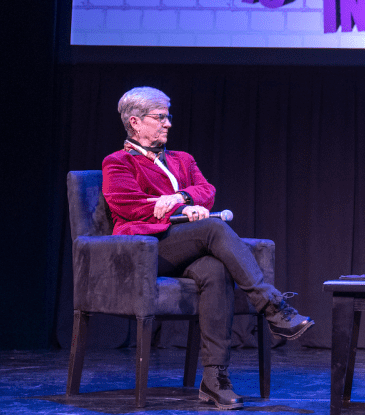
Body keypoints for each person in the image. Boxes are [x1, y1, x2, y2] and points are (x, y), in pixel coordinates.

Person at [101, 87, 313, 410]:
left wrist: (182, 198)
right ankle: (272, 307)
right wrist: (179, 210)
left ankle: (214, 379)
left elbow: (207, 191)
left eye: (168, 116)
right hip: (144, 252)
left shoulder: (182, 160)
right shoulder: (117, 163)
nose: (168, 123)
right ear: (135, 122)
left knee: (214, 271)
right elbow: (128, 205)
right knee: (214, 227)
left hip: (181, 245)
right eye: (160, 117)